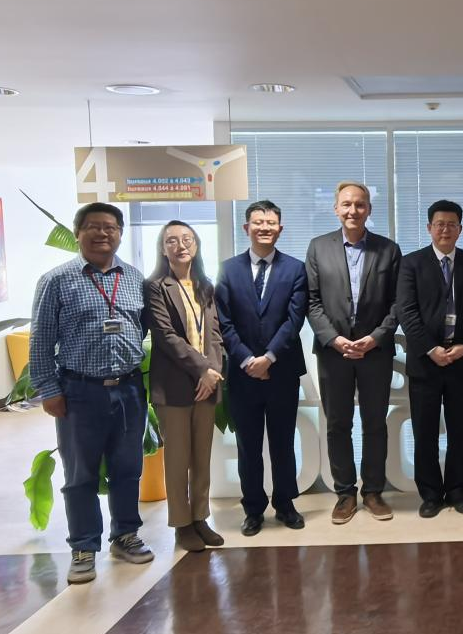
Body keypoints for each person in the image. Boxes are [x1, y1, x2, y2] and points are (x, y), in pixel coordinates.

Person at [29, 202, 154, 584]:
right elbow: (40, 341)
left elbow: (142, 328)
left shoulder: (133, 278)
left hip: (129, 388)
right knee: (80, 473)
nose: (103, 233)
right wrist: (49, 389)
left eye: (110, 227)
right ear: (78, 232)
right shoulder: (56, 280)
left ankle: (125, 535)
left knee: (127, 468)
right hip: (80, 392)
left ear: (120, 233)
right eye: (94, 226)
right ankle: (83, 546)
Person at [305, 181, 403, 525]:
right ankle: (345, 493)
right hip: (334, 353)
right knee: (337, 424)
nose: (353, 210)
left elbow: (398, 303)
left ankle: (373, 491)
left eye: (360, 204)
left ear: (369, 210)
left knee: (375, 423)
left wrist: (375, 338)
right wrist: (333, 339)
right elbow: (312, 302)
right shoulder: (318, 248)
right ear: (336, 208)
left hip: (375, 352)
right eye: (346, 204)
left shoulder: (388, 250)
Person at [214, 200, 309, 536]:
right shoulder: (227, 270)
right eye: (258, 222)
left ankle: (285, 504)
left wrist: (268, 358)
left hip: (282, 371)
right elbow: (223, 322)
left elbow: (294, 320)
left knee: (283, 442)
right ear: (247, 228)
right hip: (242, 375)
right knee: (248, 445)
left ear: (280, 229)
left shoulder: (296, 269)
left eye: (271, 223)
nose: (264, 228)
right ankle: (253, 509)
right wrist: (246, 359)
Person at [395, 200, 463, 517]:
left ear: (460, 229)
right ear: (429, 228)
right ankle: (431, 494)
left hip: (462, 360)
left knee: (461, 430)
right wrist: (430, 349)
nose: (445, 229)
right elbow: (407, 312)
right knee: (425, 431)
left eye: (451, 224)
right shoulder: (411, 264)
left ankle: (459, 491)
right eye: (439, 224)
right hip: (425, 362)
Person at [143, 220, 225, 553]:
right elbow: (166, 336)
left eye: (187, 239)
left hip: (206, 385)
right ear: (163, 249)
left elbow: (215, 335)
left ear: (197, 245)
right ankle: (181, 524)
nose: (181, 245)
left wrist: (213, 372)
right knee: (178, 460)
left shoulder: (205, 286)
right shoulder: (155, 287)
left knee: (201, 458)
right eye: (172, 241)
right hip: (174, 386)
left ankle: (200, 517)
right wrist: (203, 369)